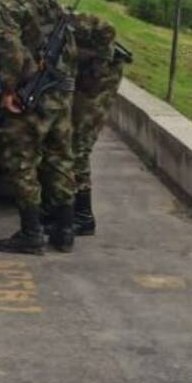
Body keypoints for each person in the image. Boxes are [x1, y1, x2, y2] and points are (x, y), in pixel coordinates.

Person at [0, 0, 78, 254]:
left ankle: (31, 232)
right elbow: (70, 45)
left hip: (31, 92)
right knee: (60, 158)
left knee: (21, 160)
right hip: (60, 90)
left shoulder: (6, 4)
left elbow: (11, 51)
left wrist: (9, 90)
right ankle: (64, 230)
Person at [63, 13, 129, 235]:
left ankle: (83, 217)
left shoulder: (71, 21)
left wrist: (99, 61)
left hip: (102, 78)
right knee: (70, 141)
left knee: (79, 146)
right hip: (87, 76)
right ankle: (68, 210)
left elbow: (107, 28)